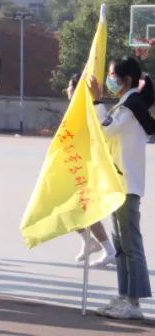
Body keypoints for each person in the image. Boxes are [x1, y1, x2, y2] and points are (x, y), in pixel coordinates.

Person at [92, 57, 155, 320]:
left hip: (127, 185)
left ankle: (134, 302)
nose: (109, 80)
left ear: (127, 79)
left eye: (112, 75)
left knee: (130, 245)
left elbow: (106, 131)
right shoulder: (125, 104)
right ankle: (123, 295)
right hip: (117, 184)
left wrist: (97, 102)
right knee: (120, 245)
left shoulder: (131, 106)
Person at [65, 72, 116, 268]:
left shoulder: (86, 111)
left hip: (85, 167)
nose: (67, 90)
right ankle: (92, 243)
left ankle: (108, 250)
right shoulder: (75, 110)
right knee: (72, 210)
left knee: (81, 209)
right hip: (74, 166)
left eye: (70, 87)